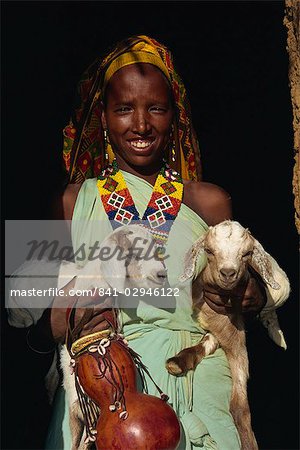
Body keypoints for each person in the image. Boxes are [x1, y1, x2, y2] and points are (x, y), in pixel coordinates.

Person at [8, 35, 289, 450]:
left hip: (201, 379)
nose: (140, 125)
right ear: (103, 117)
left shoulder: (210, 199)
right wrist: (58, 320)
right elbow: (20, 317)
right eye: (124, 109)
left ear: (175, 115)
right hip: (107, 387)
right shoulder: (68, 200)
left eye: (156, 108)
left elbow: (242, 276)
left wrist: (252, 292)